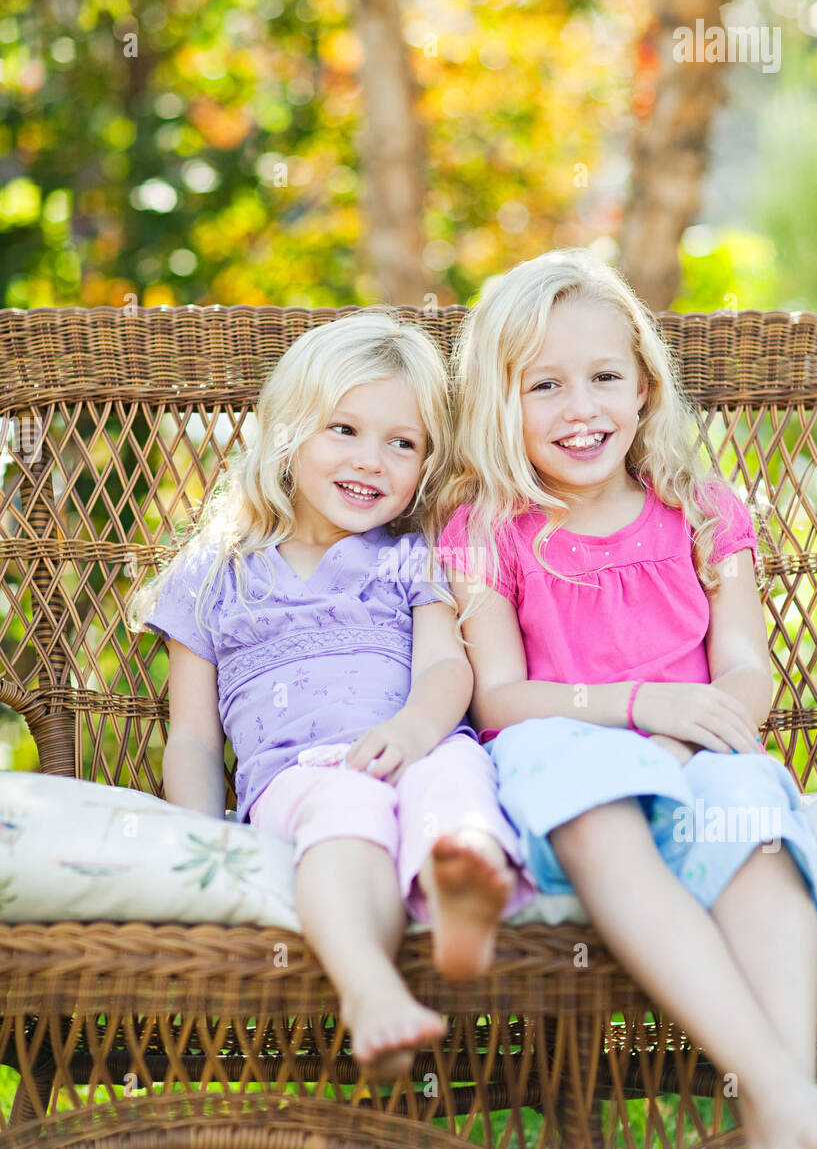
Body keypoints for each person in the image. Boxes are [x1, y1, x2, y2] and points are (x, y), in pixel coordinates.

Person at [435, 247, 817, 1149]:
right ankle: (791, 1102)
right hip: (569, 757)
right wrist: (641, 709)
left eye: (603, 378)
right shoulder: (487, 525)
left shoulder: (704, 514)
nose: (579, 407)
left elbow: (747, 669)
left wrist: (693, 732)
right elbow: (499, 697)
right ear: (501, 404)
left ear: (645, 386)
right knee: (586, 797)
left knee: (752, 813)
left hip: (697, 755)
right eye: (544, 385)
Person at [128, 310, 533, 1080]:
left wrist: (416, 731)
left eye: (402, 443)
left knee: (455, 777)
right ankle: (373, 993)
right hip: (299, 774)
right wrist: (200, 839)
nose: (371, 461)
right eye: (343, 429)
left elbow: (449, 667)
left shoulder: (410, 558)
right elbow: (191, 736)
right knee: (348, 814)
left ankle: (464, 887)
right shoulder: (214, 573)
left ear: (426, 464)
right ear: (288, 433)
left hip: (417, 743)